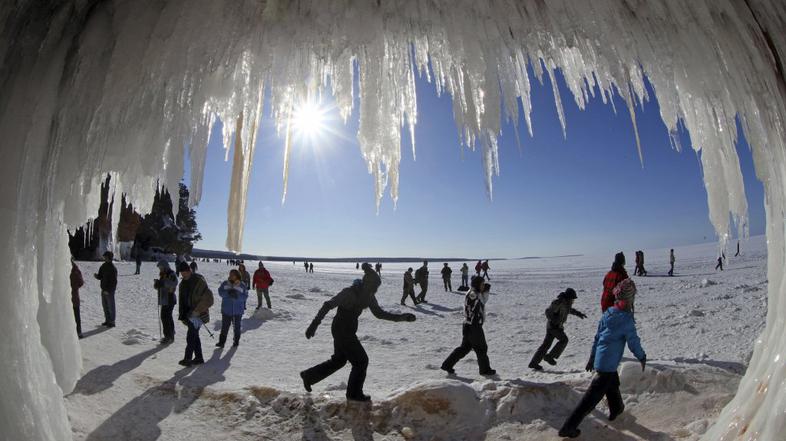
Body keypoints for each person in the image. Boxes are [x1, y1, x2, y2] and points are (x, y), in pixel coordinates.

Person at [300, 263, 416, 402]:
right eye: (374, 286)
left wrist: (402, 317)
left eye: (377, 287)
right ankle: (353, 394)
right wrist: (314, 324)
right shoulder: (349, 292)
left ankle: (309, 376)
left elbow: (379, 313)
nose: (375, 290)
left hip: (348, 329)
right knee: (361, 361)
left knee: (339, 360)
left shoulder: (370, 296)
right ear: (366, 283)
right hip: (340, 329)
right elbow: (328, 305)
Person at [558, 279, 646, 438]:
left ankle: (616, 408)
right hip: (607, 364)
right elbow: (633, 343)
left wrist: (592, 357)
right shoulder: (626, 320)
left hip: (602, 359)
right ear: (629, 299)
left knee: (612, 383)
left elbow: (597, 338)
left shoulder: (608, 313)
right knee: (590, 399)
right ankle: (568, 427)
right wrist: (642, 356)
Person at [441, 277, 496, 376]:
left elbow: (482, 301)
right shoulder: (473, 294)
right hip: (473, 326)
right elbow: (475, 306)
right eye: (482, 284)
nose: (483, 286)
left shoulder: (476, 292)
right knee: (481, 348)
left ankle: (447, 365)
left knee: (465, 348)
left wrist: (486, 291)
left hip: (469, 325)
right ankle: (485, 370)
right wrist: (475, 324)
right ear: (477, 284)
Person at [528, 288, 587, 371]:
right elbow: (548, 311)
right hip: (553, 327)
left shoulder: (566, 303)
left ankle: (534, 363)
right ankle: (549, 357)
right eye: (572, 298)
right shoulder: (558, 302)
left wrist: (579, 314)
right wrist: (553, 320)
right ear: (568, 297)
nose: (573, 300)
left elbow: (569, 310)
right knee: (564, 340)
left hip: (554, 326)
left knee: (546, 345)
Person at [177, 262, 214, 367]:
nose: (183, 275)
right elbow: (182, 301)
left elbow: (209, 299)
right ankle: (199, 358)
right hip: (188, 314)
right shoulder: (182, 284)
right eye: (182, 274)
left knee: (191, 336)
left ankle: (187, 358)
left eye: (185, 273)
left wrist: (197, 310)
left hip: (199, 314)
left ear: (190, 271)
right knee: (194, 336)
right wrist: (183, 315)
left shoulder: (199, 281)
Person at [217, 269, 248, 348]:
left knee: (237, 327)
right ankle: (221, 342)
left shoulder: (242, 285)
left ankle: (236, 341)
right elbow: (220, 292)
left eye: (232, 274)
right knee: (224, 327)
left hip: (237, 311)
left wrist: (237, 296)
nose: (230, 276)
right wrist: (228, 293)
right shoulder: (225, 283)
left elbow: (245, 297)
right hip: (226, 310)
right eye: (230, 274)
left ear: (237, 275)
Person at [154, 260, 179, 344]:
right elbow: (162, 284)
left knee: (165, 317)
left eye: (161, 267)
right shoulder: (163, 274)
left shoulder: (171, 273)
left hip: (170, 299)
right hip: (165, 298)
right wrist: (157, 284)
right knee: (167, 317)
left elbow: (174, 283)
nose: (160, 269)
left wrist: (162, 283)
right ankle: (170, 335)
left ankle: (168, 336)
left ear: (165, 266)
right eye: (159, 268)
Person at [94, 251, 118, 327]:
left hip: (110, 290)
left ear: (109, 258)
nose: (104, 258)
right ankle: (107, 320)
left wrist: (108, 290)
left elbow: (114, 282)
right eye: (104, 257)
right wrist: (97, 276)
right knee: (105, 306)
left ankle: (112, 322)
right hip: (103, 289)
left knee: (111, 306)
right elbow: (100, 276)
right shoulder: (103, 266)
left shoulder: (113, 268)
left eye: (106, 257)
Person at [70, 258, 84, 338]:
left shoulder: (74, 270)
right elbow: (81, 282)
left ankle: (78, 332)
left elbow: (80, 282)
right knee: (76, 316)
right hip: (74, 296)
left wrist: (74, 287)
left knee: (75, 316)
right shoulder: (76, 269)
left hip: (72, 296)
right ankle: (78, 332)